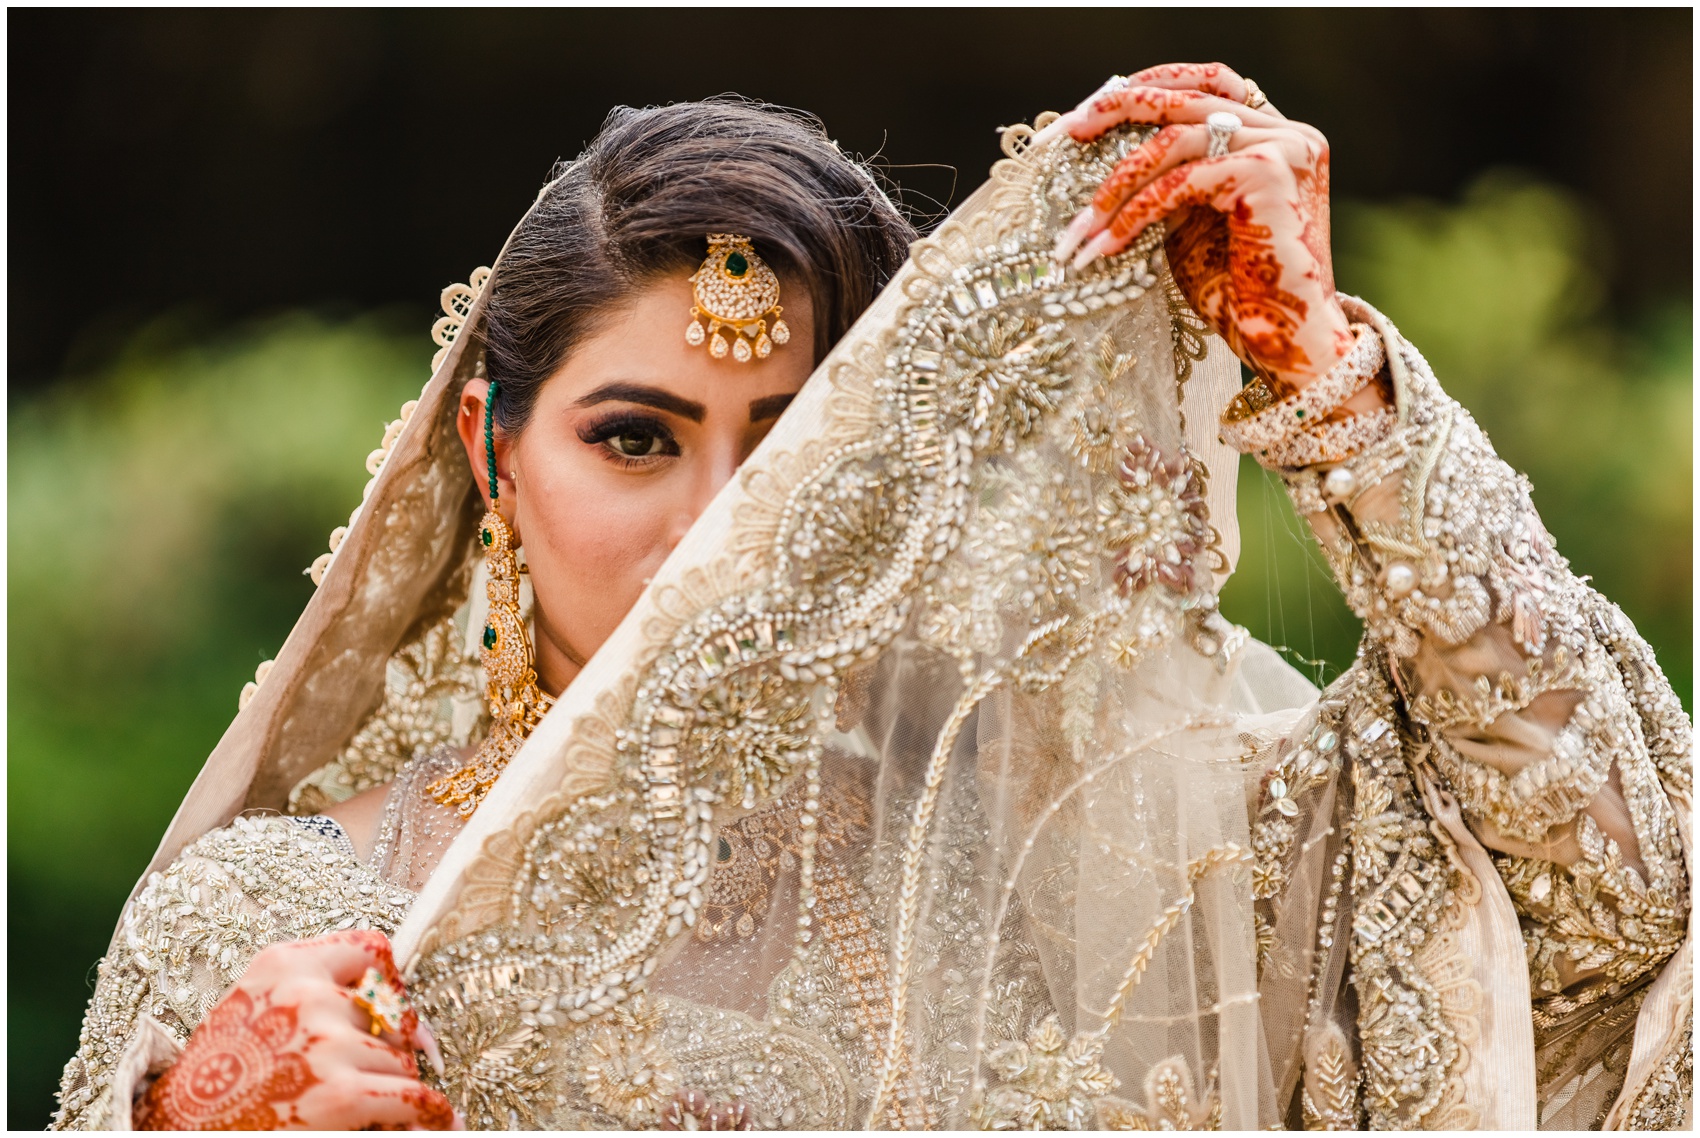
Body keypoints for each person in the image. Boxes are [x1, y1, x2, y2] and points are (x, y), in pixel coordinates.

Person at [53, 64, 1690, 1131]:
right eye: (635, 438)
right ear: (492, 454)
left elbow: (1628, 903)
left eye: (786, 458)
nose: (714, 529)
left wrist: (1328, 386)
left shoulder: (1067, 867)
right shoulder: (285, 935)